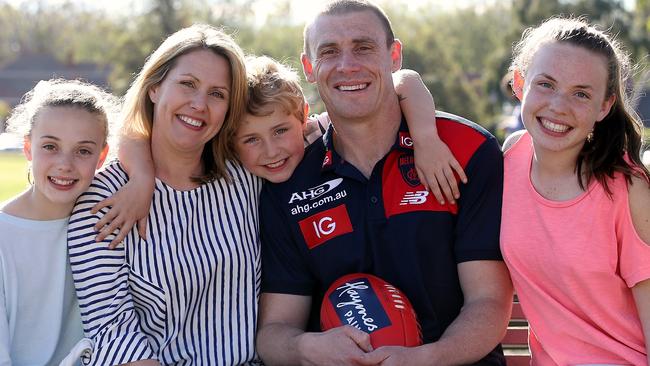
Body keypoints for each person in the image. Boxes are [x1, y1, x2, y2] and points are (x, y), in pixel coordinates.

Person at [255, 1, 513, 365]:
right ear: (309, 68)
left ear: (395, 56)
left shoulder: (465, 151)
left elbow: (487, 302)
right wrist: (304, 348)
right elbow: (275, 331)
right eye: (330, 52)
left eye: (363, 47)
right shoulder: (289, 175)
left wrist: (426, 358)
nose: (347, 65)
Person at [66, 24, 261, 365]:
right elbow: (113, 331)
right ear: (155, 88)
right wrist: (144, 179)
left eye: (218, 94)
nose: (199, 104)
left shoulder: (246, 180)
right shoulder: (103, 199)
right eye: (187, 84)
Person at [500, 17, 650, 365]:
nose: (558, 106)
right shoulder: (510, 157)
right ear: (520, 83)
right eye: (546, 84)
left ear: (604, 106)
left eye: (580, 93)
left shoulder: (628, 188)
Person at [0, 79, 114, 365]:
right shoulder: (5, 236)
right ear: (28, 148)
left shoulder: (109, 220)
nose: (65, 163)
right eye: (50, 146)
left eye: (83, 151)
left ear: (102, 156)